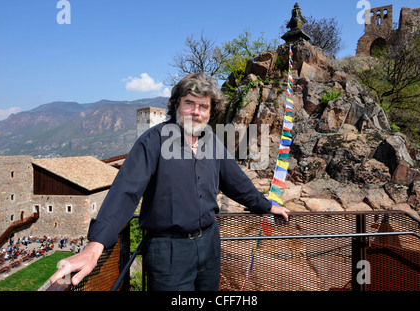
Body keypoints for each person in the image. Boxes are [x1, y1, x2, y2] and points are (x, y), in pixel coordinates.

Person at [49, 73, 290, 291]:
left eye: (203, 106)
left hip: (209, 244)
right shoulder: (153, 142)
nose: (196, 111)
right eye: (189, 103)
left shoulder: (212, 142)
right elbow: (126, 192)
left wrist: (265, 206)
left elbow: (235, 181)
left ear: (210, 112)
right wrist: (96, 245)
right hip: (168, 251)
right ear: (176, 106)